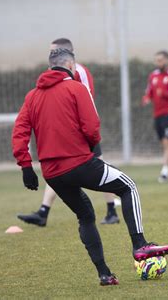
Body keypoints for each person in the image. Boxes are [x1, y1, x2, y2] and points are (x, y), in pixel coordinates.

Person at [12, 48, 168, 286]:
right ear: (71, 65)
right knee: (128, 186)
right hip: (80, 162)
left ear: (50, 67)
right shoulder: (77, 88)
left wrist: (26, 167)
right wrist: (89, 146)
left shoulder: (32, 96)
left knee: (85, 215)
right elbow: (91, 126)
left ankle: (104, 274)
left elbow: (20, 132)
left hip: (52, 174)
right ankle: (140, 244)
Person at [17, 38, 119, 226]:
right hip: (68, 131)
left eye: (53, 51)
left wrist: (88, 132)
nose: (50, 55)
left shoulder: (79, 72)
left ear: (65, 53)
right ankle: (43, 211)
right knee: (59, 167)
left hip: (83, 130)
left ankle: (111, 209)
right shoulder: (52, 75)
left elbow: (87, 99)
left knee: (98, 165)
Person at [142, 50, 168, 183]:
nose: (158, 62)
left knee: (167, 144)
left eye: (160, 60)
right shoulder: (153, 76)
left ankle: (164, 172)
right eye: (156, 60)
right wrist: (146, 98)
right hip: (157, 114)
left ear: (167, 60)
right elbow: (149, 92)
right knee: (167, 146)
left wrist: (165, 93)